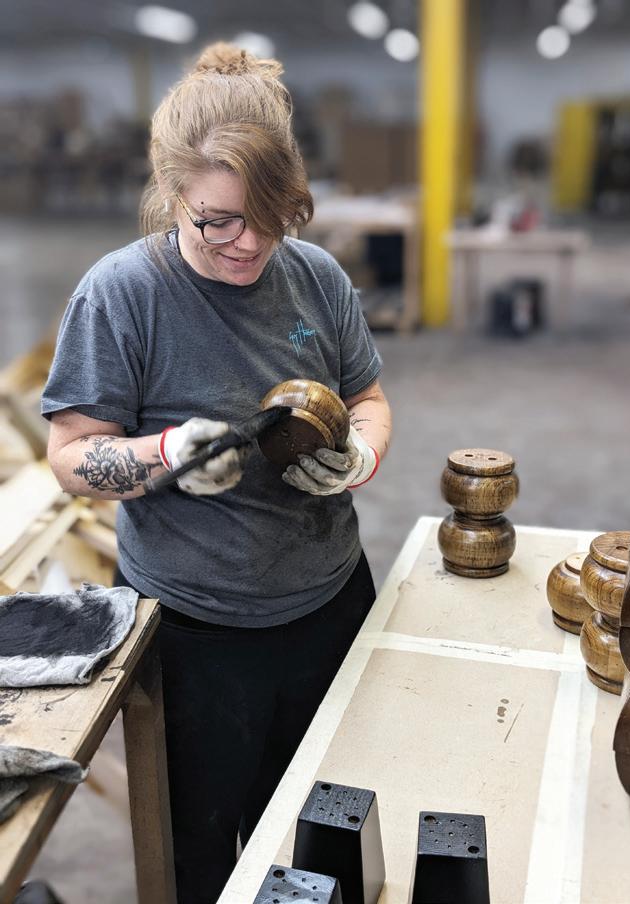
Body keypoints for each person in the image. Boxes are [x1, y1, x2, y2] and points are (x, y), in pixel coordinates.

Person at [42, 42, 392, 904]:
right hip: (194, 636)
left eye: (273, 216)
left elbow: (370, 397)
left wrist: (359, 455)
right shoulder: (121, 295)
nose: (251, 243)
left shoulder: (316, 279)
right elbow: (71, 455)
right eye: (219, 222)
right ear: (173, 197)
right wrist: (162, 455)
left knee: (322, 842)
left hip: (328, 607)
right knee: (201, 859)